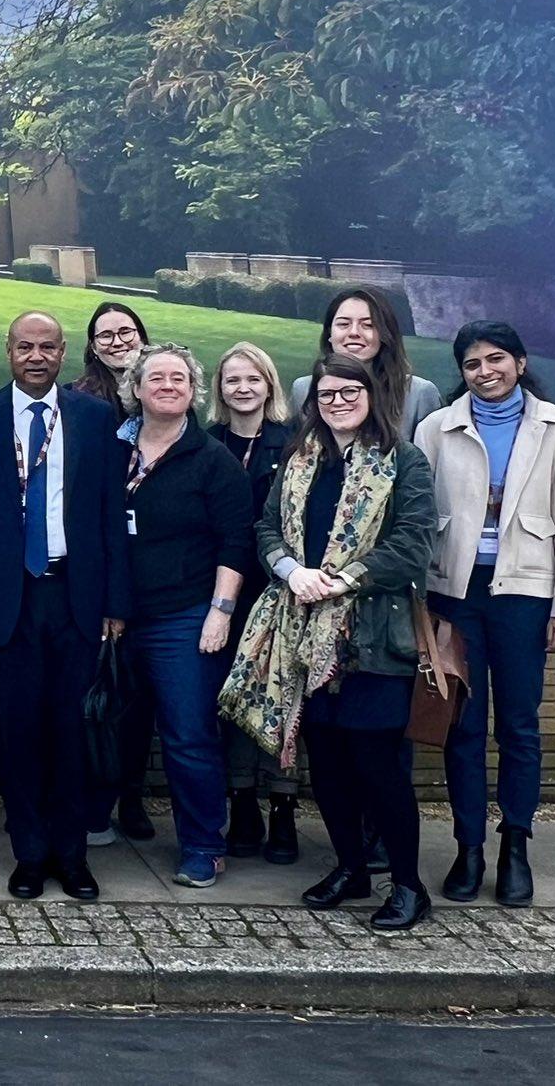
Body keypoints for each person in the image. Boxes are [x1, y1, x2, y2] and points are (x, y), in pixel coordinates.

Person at [221, 354, 438, 931]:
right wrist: (290, 570)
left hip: (371, 637)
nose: (337, 402)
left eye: (349, 392)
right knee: (330, 764)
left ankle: (410, 887)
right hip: (301, 635)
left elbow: (415, 544)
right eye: (326, 395)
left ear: (371, 395)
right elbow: (265, 527)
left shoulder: (403, 461)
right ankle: (351, 869)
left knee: (376, 763)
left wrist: (343, 578)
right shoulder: (299, 460)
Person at [0, 311, 131, 900]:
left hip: (75, 595)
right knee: (19, 731)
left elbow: (110, 518)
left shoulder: (96, 420)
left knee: (70, 730)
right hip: (8, 601)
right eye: (25, 346)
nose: (36, 356)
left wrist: (114, 603)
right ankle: (28, 853)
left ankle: (72, 856)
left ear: (62, 353)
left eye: (47, 347)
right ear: (8, 351)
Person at [416, 321, 555, 908]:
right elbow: (418, 517)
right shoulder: (436, 428)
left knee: (518, 725)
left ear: (519, 361)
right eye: (471, 364)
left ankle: (516, 845)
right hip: (456, 592)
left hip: (525, 592)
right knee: (462, 727)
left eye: (496, 360)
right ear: (460, 371)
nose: (485, 372)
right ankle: (468, 848)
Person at [98, 343, 254, 888]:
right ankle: (97, 816)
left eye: (179, 378)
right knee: (106, 720)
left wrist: (220, 612)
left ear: (193, 391)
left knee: (188, 735)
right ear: (134, 389)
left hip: (184, 617)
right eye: (156, 377)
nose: (168, 385)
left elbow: (235, 542)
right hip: (114, 616)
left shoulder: (214, 461)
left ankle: (203, 845)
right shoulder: (110, 452)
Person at [205, 342, 301, 864]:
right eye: (232, 380)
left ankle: (283, 807)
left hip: (280, 593)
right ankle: (242, 802)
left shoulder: (295, 446)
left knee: (282, 701)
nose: (243, 388)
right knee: (234, 699)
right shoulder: (204, 443)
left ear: (269, 385)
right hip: (222, 598)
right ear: (219, 389)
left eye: (253, 379)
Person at [69, 300, 157, 843]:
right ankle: (96, 794)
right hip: (99, 560)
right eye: (105, 334)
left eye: (125, 331)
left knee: (141, 694)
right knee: (99, 687)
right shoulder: (82, 399)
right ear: (93, 344)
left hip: (154, 564)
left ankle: (132, 794)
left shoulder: (164, 384)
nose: (117, 340)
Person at [290, 287, 441, 440]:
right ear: (329, 333)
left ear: (385, 334)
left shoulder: (419, 394)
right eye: (343, 324)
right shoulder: (303, 389)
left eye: (368, 325)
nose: (354, 332)